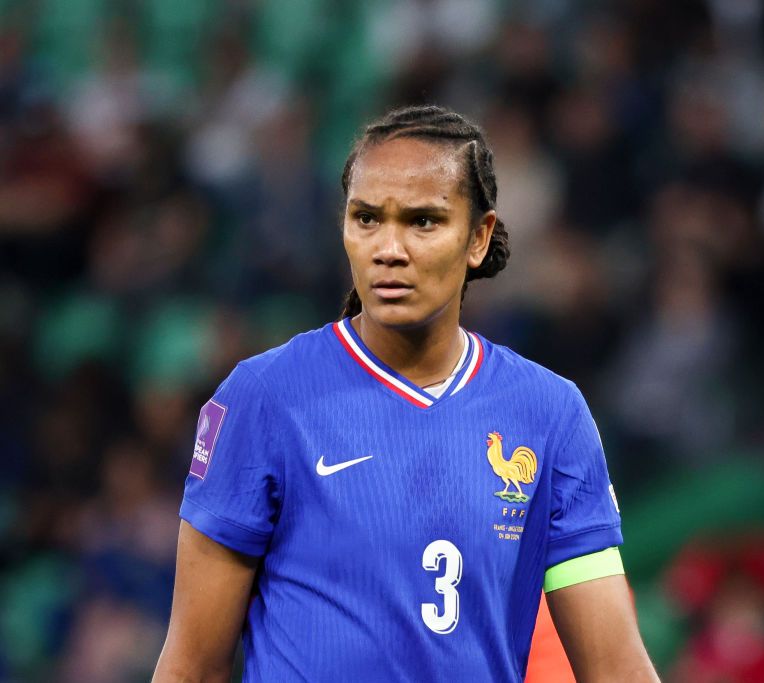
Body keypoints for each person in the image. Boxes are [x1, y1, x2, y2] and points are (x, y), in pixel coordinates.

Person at [153, 105, 658, 682]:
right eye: (367, 218)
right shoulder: (264, 398)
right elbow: (192, 667)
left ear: (478, 237)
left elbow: (616, 668)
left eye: (423, 222)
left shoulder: (551, 414)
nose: (388, 249)